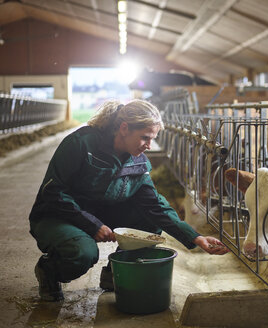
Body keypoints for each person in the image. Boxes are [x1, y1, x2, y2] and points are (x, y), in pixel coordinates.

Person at [29, 99, 229, 302]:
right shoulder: (81, 144)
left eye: (152, 139)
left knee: (149, 224)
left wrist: (195, 238)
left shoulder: (138, 160)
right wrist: (92, 224)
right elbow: (53, 192)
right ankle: (49, 271)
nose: (149, 146)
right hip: (59, 215)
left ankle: (113, 274)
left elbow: (155, 206)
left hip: (101, 212)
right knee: (82, 254)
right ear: (124, 128)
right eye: (145, 138)